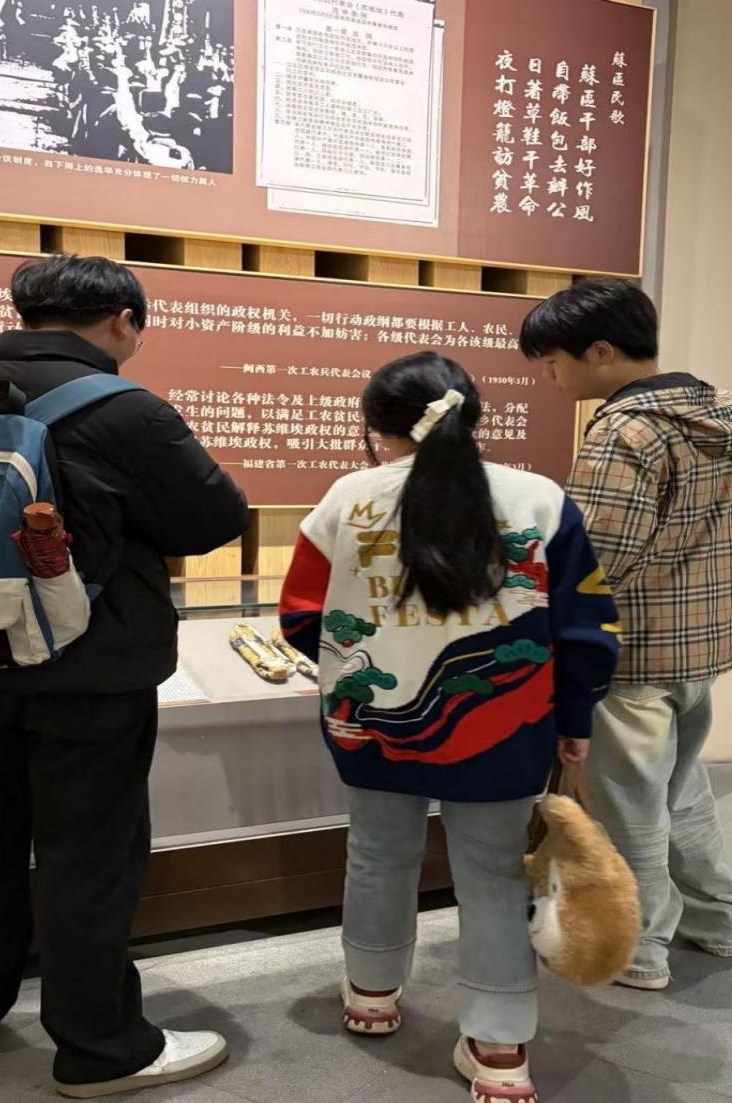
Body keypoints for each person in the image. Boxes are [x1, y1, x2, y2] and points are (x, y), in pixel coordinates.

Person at [0, 254, 249, 1097]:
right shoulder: (128, 411)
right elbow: (213, 518)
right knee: (88, 856)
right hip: (92, 670)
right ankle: (99, 1047)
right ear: (122, 320)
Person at [278, 352, 619, 1103]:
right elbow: (585, 627)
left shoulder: (348, 498)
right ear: (474, 415)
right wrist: (574, 716)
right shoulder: (538, 498)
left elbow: (300, 616)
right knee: (495, 875)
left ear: (379, 428)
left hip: (371, 725)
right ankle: (500, 1049)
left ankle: (371, 995)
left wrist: (369, 657)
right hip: (505, 726)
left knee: (376, 855)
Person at [520, 277, 732, 991]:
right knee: (682, 794)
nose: (551, 378)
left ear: (600, 350)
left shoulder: (624, 431)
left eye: (554, 362)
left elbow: (596, 560)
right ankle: (719, 918)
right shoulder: (716, 415)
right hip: (700, 645)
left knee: (629, 812)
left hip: (631, 656)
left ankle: (640, 950)